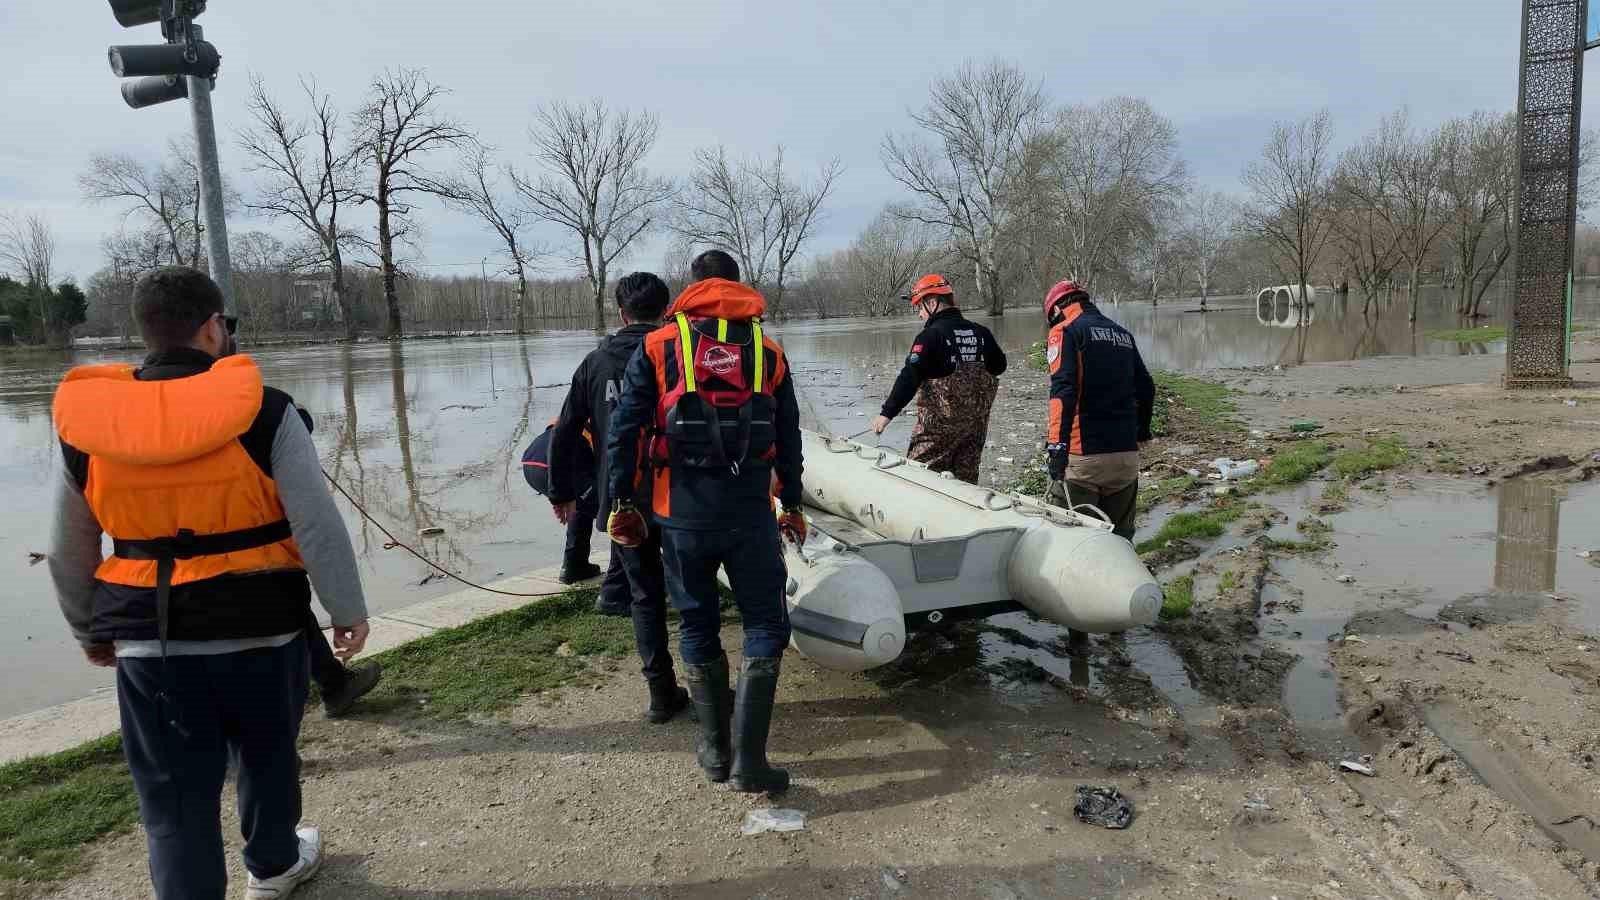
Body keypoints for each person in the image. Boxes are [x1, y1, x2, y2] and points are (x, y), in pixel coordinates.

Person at [48, 266, 370, 900]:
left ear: (144, 331)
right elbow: (315, 521)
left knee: (171, 798)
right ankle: (275, 866)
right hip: (263, 627)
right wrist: (346, 608)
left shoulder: (89, 422)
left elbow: (68, 548)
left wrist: (90, 629)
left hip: (149, 637)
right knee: (268, 756)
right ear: (214, 327)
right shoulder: (267, 409)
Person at [605, 250, 805, 794]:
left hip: (681, 516)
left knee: (697, 624)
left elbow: (623, 432)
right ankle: (751, 763)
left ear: (690, 290)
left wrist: (621, 504)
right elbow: (788, 437)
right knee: (766, 624)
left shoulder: (658, 345)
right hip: (749, 515)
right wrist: (792, 504)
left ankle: (716, 752)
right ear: (738, 288)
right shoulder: (768, 351)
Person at [547, 272, 690, 723]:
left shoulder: (595, 362)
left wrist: (562, 492)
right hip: (681, 493)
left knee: (644, 596)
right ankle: (705, 684)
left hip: (623, 496)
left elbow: (565, 430)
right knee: (691, 590)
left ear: (621, 313)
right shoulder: (683, 355)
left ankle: (661, 693)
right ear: (667, 310)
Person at [1041, 279, 1155, 541]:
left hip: (1084, 460)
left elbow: (1062, 392)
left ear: (1058, 307)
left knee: (1071, 543)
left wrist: (1057, 448)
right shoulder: (1123, 334)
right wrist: (1142, 432)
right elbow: (1147, 388)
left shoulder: (1066, 331)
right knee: (1120, 541)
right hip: (1125, 458)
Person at [870, 274, 1007, 484]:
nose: (919, 315)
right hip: (973, 432)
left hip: (935, 435)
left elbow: (909, 377)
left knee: (918, 482)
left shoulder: (930, 336)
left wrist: (886, 414)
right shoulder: (982, 333)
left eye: (920, 307)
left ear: (933, 303)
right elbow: (999, 366)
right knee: (965, 486)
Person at [520, 418, 633, 614]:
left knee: (581, 503)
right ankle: (616, 591)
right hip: (557, 464)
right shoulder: (611, 420)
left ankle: (574, 566)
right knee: (618, 514)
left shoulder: (585, 406)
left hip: (531, 460)